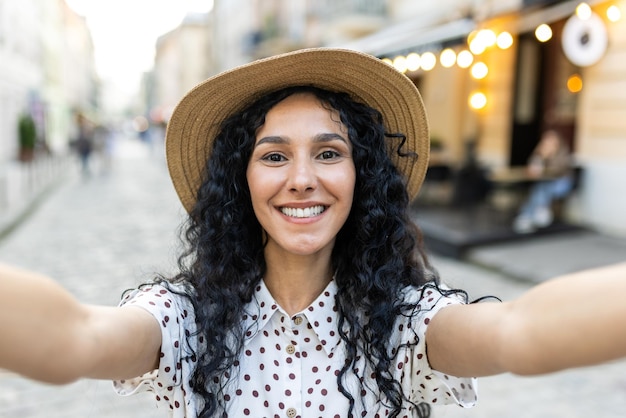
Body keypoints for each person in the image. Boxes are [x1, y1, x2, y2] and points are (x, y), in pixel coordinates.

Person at [1, 48, 625, 418]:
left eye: (328, 154)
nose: (302, 179)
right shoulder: (186, 319)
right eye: (274, 157)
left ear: (361, 176)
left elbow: (521, 332)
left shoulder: (401, 323)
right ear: (240, 182)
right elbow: (76, 339)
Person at [513, 130, 575, 234]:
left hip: (562, 183)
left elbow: (559, 170)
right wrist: (541, 157)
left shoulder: (562, 152)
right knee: (539, 188)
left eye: (551, 140)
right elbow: (533, 166)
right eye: (547, 140)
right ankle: (537, 212)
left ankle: (527, 216)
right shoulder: (540, 151)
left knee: (542, 188)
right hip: (546, 182)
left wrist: (549, 158)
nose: (549, 143)